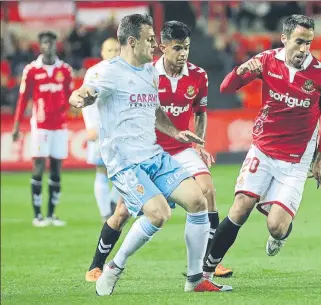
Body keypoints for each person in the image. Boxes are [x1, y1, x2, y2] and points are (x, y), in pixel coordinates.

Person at [69, 14, 231, 295]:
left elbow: (155, 111)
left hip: (154, 155)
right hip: (125, 163)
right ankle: (114, 267)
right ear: (132, 42)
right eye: (150, 40)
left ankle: (195, 280)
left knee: (198, 200)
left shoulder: (149, 73)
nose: (156, 45)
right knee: (159, 214)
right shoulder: (108, 72)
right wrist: (80, 97)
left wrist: (176, 133)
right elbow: (88, 92)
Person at [202, 15, 321, 282]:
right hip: (263, 151)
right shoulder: (266, 61)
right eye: (299, 42)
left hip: (296, 161)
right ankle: (205, 273)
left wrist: (319, 157)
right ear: (284, 38)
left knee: (276, 227)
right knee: (241, 206)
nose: (304, 49)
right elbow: (226, 86)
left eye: (309, 43)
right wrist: (244, 69)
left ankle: (281, 233)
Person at [12, 31, 73, 227]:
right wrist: (16, 125)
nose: (49, 46)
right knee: (38, 167)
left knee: (56, 169)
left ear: (56, 45)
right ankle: (37, 215)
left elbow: (70, 96)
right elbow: (23, 99)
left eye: (52, 42)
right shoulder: (31, 70)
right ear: (40, 45)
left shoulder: (65, 70)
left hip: (60, 126)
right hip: (40, 126)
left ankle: (52, 215)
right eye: (45, 43)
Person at [82, 38, 121, 222]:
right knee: (101, 169)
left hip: (122, 130)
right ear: (103, 53)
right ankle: (106, 213)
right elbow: (86, 101)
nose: (113, 53)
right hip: (100, 129)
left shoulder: (125, 71)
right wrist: (91, 126)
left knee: (128, 169)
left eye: (116, 49)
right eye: (110, 50)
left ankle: (113, 202)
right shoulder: (94, 72)